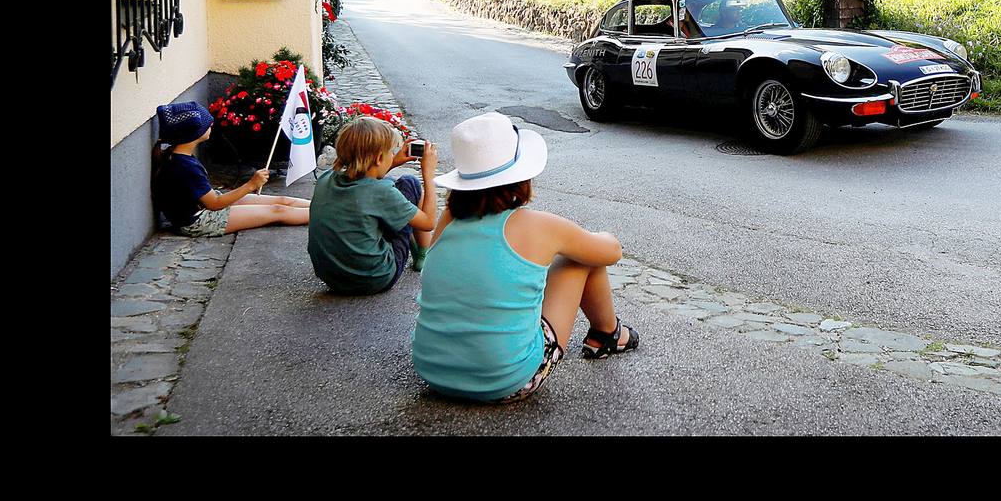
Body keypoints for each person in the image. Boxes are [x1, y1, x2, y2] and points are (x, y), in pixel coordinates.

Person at [411, 112, 639, 404]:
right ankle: (608, 334)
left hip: (434, 371)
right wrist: (601, 234)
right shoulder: (539, 226)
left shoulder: (449, 219)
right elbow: (611, 252)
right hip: (508, 379)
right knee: (581, 259)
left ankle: (606, 334)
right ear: (521, 176)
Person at [307, 116, 439, 295]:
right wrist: (428, 174)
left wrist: (393, 161)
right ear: (378, 158)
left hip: (332, 278)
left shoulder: (326, 178)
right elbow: (429, 222)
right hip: (376, 278)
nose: (393, 155)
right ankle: (424, 254)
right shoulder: (381, 193)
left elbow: (365, 178)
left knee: (389, 188)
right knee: (410, 184)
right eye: (391, 152)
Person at [152, 101, 310, 237]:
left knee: (282, 201)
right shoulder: (184, 166)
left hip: (204, 205)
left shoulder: (177, 156)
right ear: (193, 134)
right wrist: (251, 185)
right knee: (277, 211)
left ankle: (327, 206)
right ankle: (330, 216)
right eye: (207, 123)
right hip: (199, 220)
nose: (211, 125)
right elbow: (214, 203)